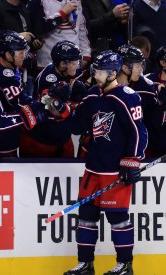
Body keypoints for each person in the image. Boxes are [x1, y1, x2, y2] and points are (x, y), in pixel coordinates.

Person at [58, 50, 147, 275]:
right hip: (92, 168)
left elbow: (139, 131)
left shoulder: (126, 96)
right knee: (86, 217)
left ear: (114, 73)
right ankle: (85, 263)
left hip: (114, 169)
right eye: (95, 70)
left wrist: (132, 160)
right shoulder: (92, 96)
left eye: (100, 71)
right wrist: (61, 109)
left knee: (118, 218)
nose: (96, 75)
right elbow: (77, 126)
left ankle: (125, 264)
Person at [19, 40, 84, 158]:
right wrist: (72, 106)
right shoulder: (47, 79)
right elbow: (53, 108)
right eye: (75, 62)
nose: (78, 65)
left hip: (62, 137)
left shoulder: (70, 71)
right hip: (41, 139)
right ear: (63, 63)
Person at [27, 0, 92, 69]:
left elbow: (82, 30)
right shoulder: (38, 2)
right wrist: (62, 14)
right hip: (48, 64)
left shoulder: (76, 1)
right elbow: (39, 29)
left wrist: (85, 55)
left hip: (74, 62)